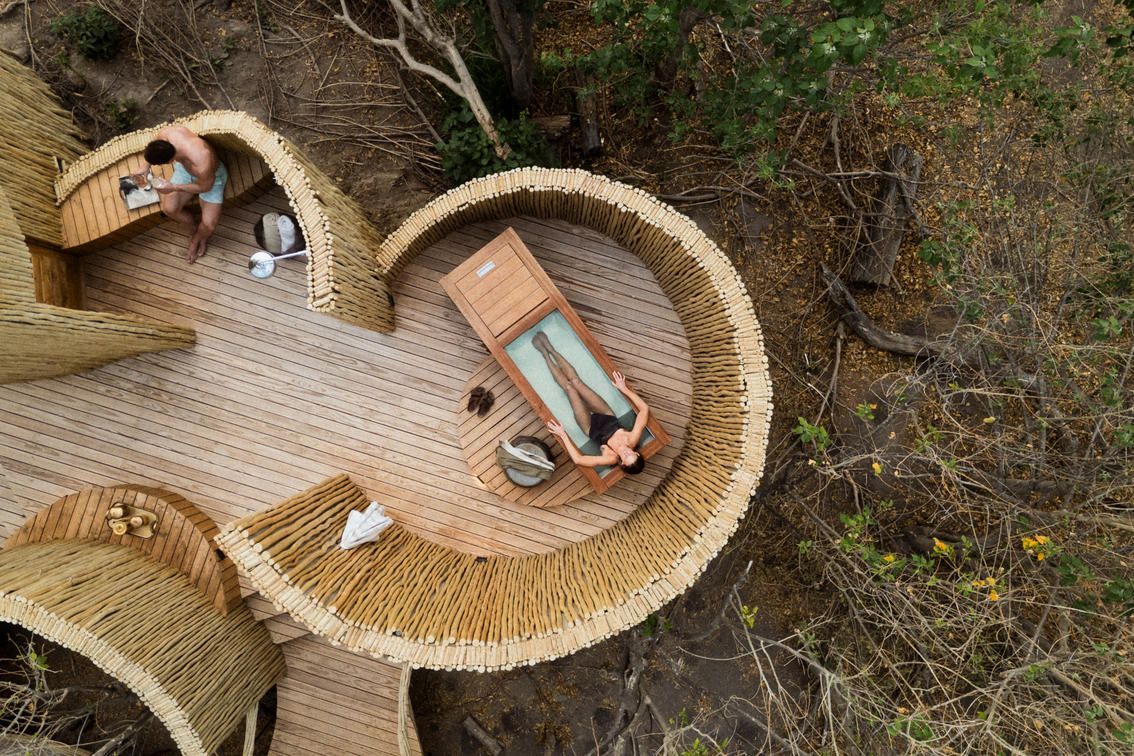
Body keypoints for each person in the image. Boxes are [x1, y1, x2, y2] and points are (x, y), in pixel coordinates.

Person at [534, 331, 649, 474]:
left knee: (570, 389)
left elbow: (579, 460)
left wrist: (563, 435)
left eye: (625, 458)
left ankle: (544, 354)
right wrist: (624, 389)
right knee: (576, 382)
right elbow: (644, 409)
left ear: (623, 464)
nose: (625, 453)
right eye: (630, 454)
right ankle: (551, 349)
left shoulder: (611, 458)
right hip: (606, 415)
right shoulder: (632, 439)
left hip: (590, 428)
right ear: (636, 453)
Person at [135, 125, 228, 263]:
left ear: (170, 161)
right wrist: (145, 165)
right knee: (169, 209)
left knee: (209, 224)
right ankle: (193, 228)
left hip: (211, 179)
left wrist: (174, 187)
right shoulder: (168, 134)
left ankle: (197, 239)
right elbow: (156, 144)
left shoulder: (201, 159)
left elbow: (204, 187)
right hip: (186, 171)